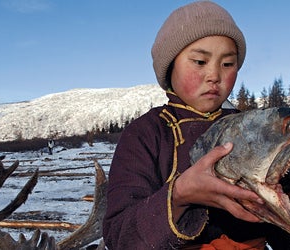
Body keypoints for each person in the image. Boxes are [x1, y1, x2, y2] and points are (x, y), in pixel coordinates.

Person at [103, 1, 278, 249]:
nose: (214, 75)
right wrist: (178, 196)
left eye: (227, 64)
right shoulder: (145, 134)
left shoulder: (252, 128)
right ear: (169, 67)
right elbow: (120, 237)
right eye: (199, 61)